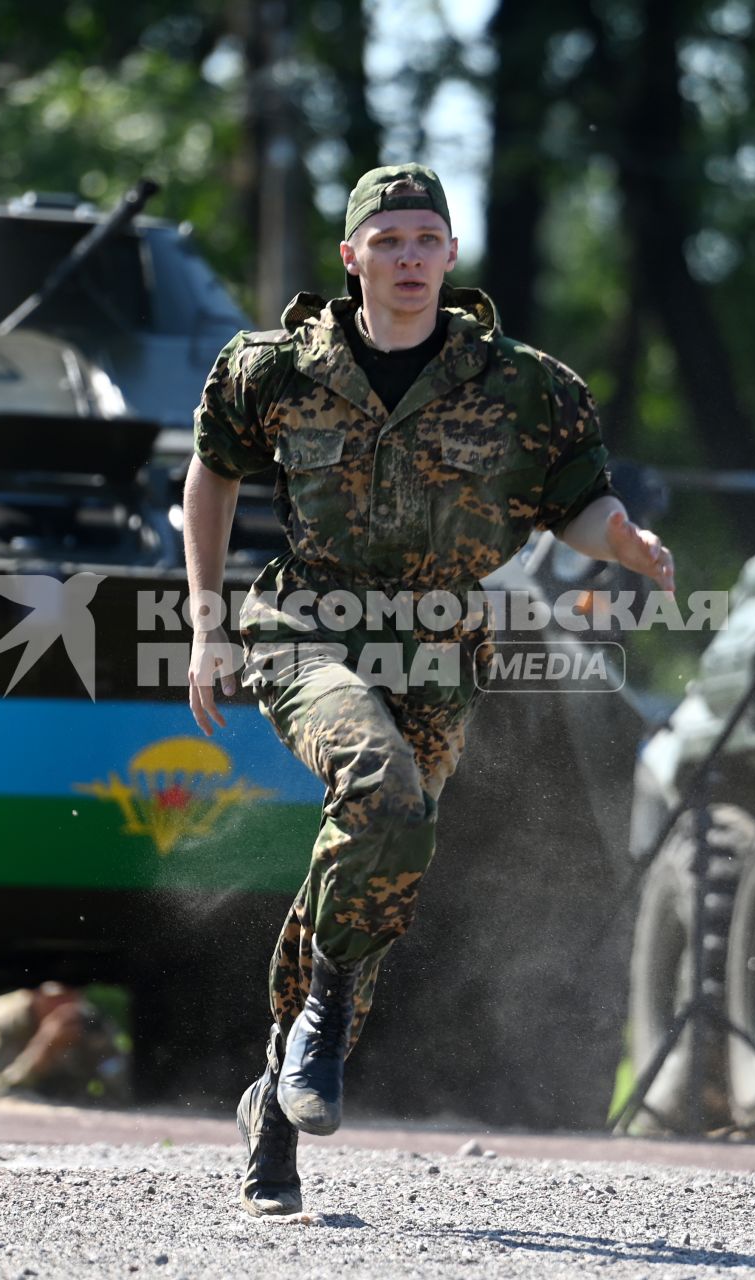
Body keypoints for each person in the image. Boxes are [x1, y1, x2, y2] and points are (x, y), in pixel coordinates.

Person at [182, 162, 674, 1216]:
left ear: (451, 258)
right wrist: (207, 619)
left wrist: (626, 544)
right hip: (306, 622)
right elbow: (212, 470)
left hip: (441, 644)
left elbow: (576, 505)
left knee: (382, 866)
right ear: (353, 255)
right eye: (389, 239)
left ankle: (274, 1103)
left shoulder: (525, 384)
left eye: (426, 240)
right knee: (381, 786)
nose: (408, 258)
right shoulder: (271, 369)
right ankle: (315, 1021)